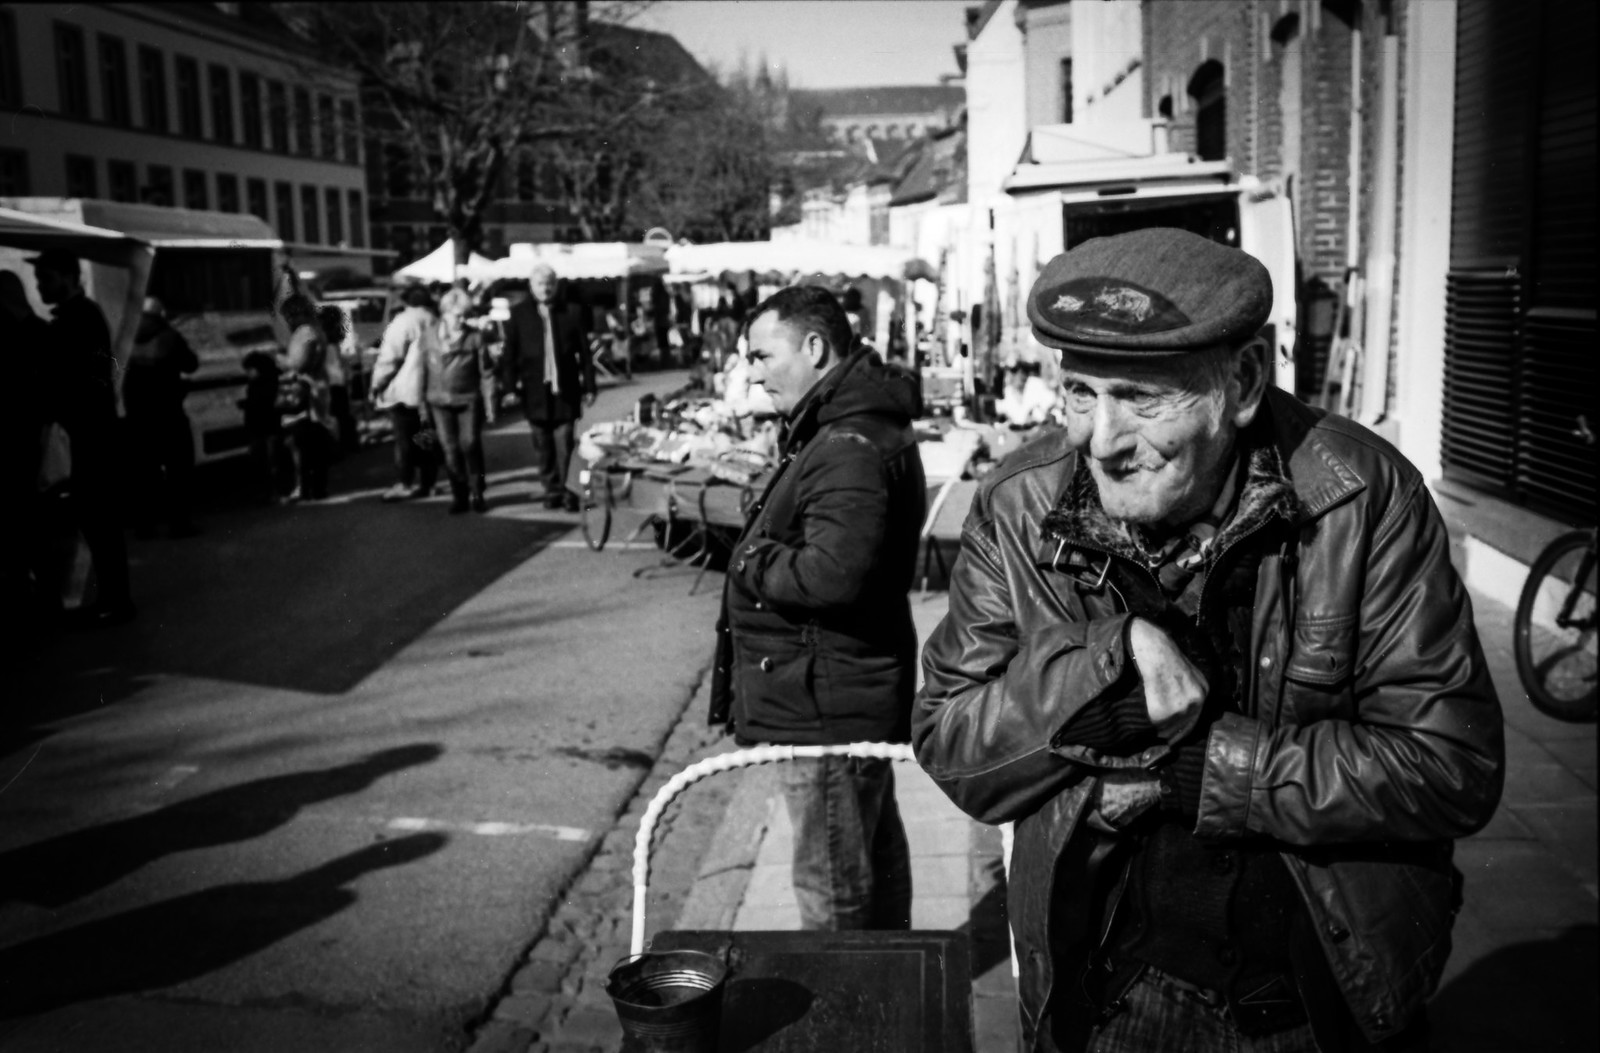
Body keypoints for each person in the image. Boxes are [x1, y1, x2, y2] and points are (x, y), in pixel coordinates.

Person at [912, 228, 1506, 1053]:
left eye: (1140, 397)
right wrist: (1107, 660)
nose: (1100, 440)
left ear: (1244, 380)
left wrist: (1199, 771)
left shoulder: (1361, 497)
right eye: (1079, 392)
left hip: (1322, 996)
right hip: (1111, 992)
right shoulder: (1019, 506)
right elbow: (951, 739)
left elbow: (1452, 766)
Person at [708, 285, 927, 930]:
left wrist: (750, 560)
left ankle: (856, 1019)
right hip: (841, 689)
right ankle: (892, 1003)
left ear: (814, 347)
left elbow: (833, 575)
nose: (750, 372)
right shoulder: (848, 428)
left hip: (828, 704)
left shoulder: (845, 444)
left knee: (833, 884)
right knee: (866, 857)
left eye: (761, 355)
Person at [30, 249, 135, 626]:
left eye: (45, 279)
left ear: (68, 277)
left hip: (92, 433)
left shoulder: (79, 318)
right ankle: (112, 597)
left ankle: (115, 601)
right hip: (92, 431)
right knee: (97, 519)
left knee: (99, 519)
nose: (40, 287)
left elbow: (86, 379)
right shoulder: (78, 316)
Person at [498, 263, 595, 510]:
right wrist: (509, 388)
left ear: (557, 286)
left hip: (565, 390)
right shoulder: (519, 314)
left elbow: (584, 354)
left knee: (565, 443)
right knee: (543, 446)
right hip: (535, 391)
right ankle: (551, 489)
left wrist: (590, 386)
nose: (546, 289)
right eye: (541, 284)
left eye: (550, 284)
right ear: (532, 287)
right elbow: (510, 354)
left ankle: (569, 491)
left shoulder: (572, 312)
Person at [124, 297, 200, 536]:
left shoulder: (126, 339)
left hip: (137, 417)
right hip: (169, 414)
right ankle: (179, 524)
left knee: (144, 473)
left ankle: (145, 526)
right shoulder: (170, 337)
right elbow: (191, 364)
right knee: (179, 470)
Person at [372, 285, 442, 502]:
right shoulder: (436, 320)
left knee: (404, 440)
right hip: (431, 389)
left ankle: (405, 482)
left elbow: (390, 358)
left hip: (404, 390)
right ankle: (428, 482)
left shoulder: (403, 322)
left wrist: (377, 385)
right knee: (425, 437)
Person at [426, 287, 490, 514]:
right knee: (450, 449)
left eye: (465, 315)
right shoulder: (429, 335)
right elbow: (420, 370)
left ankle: (477, 491)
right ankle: (460, 495)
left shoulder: (474, 337)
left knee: (470, 444)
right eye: (457, 315)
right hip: (438, 401)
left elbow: (487, 373)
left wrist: (491, 406)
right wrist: (421, 406)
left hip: (468, 398)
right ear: (444, 312)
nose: (461, 320)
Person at [276, 293, 335, 502]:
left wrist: (281, 360)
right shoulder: (316, 330)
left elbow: (299, 363)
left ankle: (303, 488)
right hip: (318, 390)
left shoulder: (304, 333)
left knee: (301, 444)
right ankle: (318, 487)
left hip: (305, 393)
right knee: (315, 444)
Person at [237, 349, 284, 505]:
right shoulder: (271, 381)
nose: (248, 373)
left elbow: (260, 404)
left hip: (263, 427)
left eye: (250, 370)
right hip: (267, 426)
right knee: (270, 460)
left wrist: (246, 405)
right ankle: (274, 491)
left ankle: (271, 492)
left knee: (267, 461)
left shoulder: (260, 385)